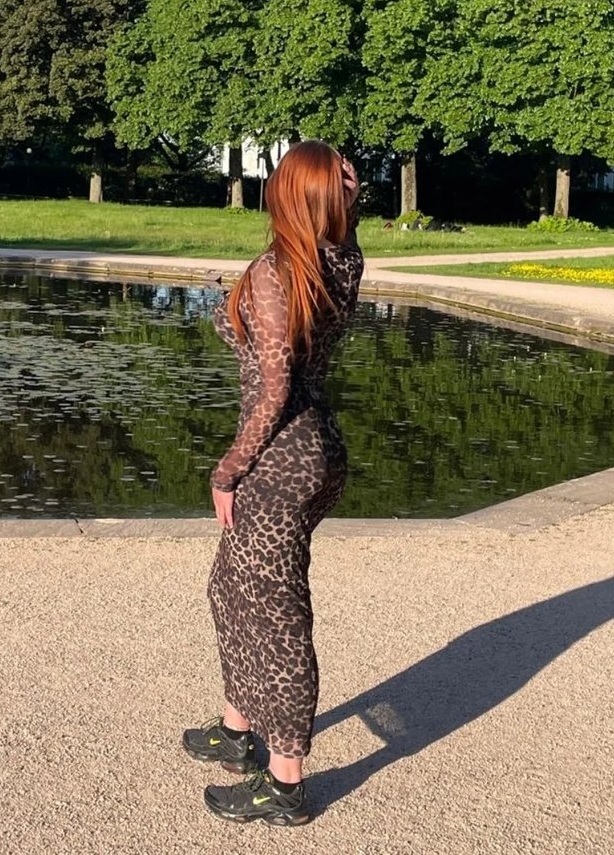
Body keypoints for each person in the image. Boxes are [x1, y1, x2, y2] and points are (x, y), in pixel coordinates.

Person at [181, 141, 363, 826]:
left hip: (279, 466)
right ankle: (237, 730)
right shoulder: (339, 261)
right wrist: (349, 197)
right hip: (317, 452)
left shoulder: (276, 271)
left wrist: (228, 469)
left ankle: (285, 783)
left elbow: (275, 388)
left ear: (284, 193)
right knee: (230, 589)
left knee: (277, 617)